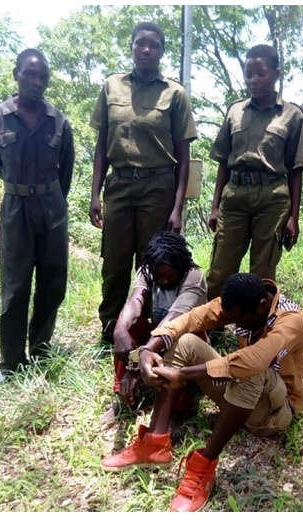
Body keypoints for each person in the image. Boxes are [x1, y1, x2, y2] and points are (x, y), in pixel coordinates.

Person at [100, 273, 303, 512]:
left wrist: (185, 375)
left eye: (240, 321)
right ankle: (155, 444)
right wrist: (148, 349)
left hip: (274, 412)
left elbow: (255, 361)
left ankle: (203, 466)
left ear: (262, 307)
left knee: (250, 368)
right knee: (185, 341)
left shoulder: (291, 321)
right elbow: (189, 320)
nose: (236, 325)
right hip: (242, 397)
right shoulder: (244, 300)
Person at [90, 21, 198, 346]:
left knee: (152, 261)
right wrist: (95, 194)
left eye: (153, 45)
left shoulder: (174, 94)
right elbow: (101, 145)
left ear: (162, 51)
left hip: (159, 186)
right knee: (115, 261)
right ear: (132, 47)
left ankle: (147, 327)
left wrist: (178, 207)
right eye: (140, 43)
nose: (146, 50)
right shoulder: (112, 86)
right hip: (120, 186)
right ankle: (111, 326)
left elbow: (184, 155)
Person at [205, 44, 303, 341]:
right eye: (249, 74)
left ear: (276, 74)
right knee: (220, 268)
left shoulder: (292, 116)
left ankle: (257, 333)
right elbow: (224, 163)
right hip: (235, 195)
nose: (254, 80)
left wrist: (293, 216)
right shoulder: (235, 111)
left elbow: (296, 169)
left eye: (261, 74)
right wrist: (215, 207)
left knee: (262, 274)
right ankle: (212, 325)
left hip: (272, 199)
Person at [0, 48, 75, 388]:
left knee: (53, 283)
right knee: (15, 287)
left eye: (42, 77)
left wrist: (50, 199)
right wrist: (21, 190)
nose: (36, 82)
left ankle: (40, 350)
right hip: (15, 208)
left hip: (52, 207)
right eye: (30, 74)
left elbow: (66, 170)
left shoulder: (59, 121)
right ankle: (10, 363)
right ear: (16, 74)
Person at [103, 231, 207, 428]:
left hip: (184, 334)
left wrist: (143, 355)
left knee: (182, 340)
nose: (164, 281)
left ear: (180, 267)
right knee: (129, 327)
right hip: (156, 335)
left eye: (170, 276)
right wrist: (120, 332)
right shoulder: (147, 271)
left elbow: (174, 320)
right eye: (160, 277)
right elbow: (135, 301)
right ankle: (126, 394)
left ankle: (179, 408)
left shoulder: (193, 276)